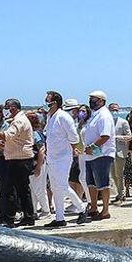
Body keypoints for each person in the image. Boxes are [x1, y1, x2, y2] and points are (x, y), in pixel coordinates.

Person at [43, 91, 88, 228]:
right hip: (51, 157)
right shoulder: (50, 117)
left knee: (62, 186)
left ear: (55, 103)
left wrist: (73, 148)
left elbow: (74, 137)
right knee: (55, 187)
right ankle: (60, 218)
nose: (46, 103)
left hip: (62, 158)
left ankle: (82, 208)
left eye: (48, 101)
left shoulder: (64, 117)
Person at [0, 99, 37, 227]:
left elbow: (6, 136)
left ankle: (10, 219)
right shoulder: (18, 120)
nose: (5, 110)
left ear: (13, 108)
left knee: (10, 190)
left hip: (20, 160)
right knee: (22, 190)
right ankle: (28, 217)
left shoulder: (19, 121)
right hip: (19, 159)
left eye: (7, 107)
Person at [80, 90, 116, 220]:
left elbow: (105, 135)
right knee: (91, 183)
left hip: (102, 154)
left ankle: (105, 210)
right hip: (91, 155)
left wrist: (93, 147)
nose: (91, 101)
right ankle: (94, 208)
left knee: (103, 183)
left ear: (101, 101)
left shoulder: (104, 115)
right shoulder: (95, 115)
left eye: (93, 99)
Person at [27, 110, 50, 219]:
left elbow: (42, 150)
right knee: (32, 189)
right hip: (31, 164)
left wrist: (39, 166)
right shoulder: (30, 132)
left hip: (38, 163)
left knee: (39, 189)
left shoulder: (35, 134)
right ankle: (34, 211)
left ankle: (46, 210)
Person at [110, 102, 132, 203]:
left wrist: (117, 138)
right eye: (112, 110)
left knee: (119, 174)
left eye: (116, 110)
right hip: (109, 152)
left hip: (120, 151)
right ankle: (119, 192)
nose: (114, 112)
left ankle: (122, 193)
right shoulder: (107, 122)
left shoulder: (123, 122)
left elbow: (129, 136)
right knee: (113, 174)